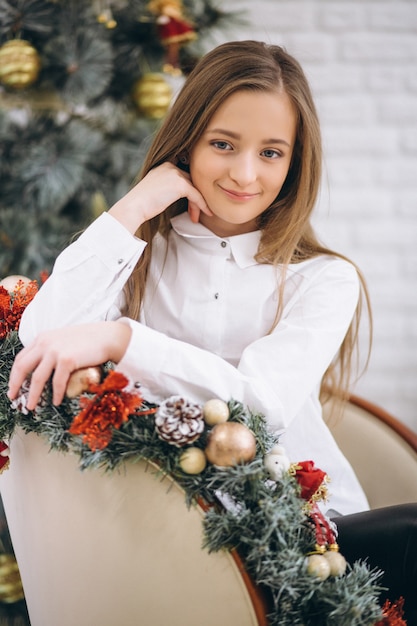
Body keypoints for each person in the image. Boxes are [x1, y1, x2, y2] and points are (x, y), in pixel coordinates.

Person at [7, 40, 417, 620]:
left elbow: (260, 404)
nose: (246, 174)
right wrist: (135, 206)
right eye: (223, 144)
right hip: (158, 537)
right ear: (188, 142)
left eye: (272, 152)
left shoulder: (323, 279)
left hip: (307, 544)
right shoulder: (134, 256)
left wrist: (123, 340)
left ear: (296, 161)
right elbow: (40, 333)